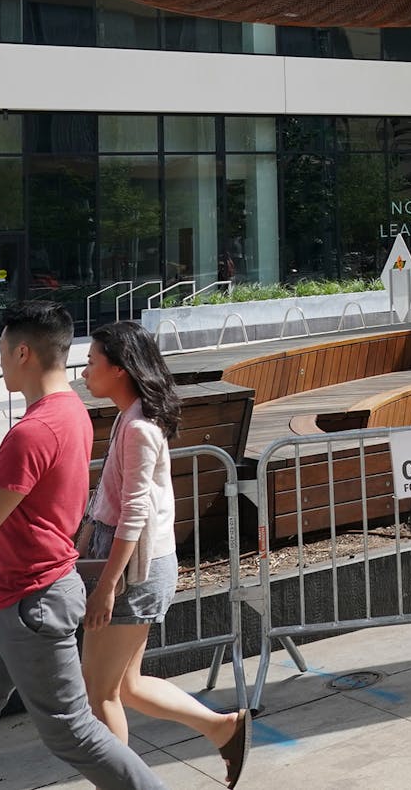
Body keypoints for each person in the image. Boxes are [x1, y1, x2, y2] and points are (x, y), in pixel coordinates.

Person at [0, 301, 166, 790]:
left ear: (24, 353)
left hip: (32, 605)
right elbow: (33, 506)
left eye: (2, 351)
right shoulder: (71, 412)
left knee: (72, 732)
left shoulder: (32, 431)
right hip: (5, 604)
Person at [80, 321, 251, 788]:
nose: (85, 371)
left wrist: (107, 588)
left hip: (133, 571)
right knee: (125, 687)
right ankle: (223, 727)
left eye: (92, 362)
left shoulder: (136, 426)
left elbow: (134, 512)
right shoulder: (130, 417)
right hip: (137, 567)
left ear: (118, 369)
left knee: (101, 695)